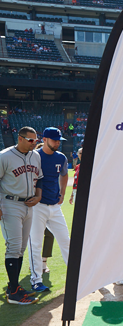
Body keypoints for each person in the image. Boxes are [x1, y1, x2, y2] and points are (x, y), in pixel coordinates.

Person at [1, 127, 43, 304]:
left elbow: (39, 178)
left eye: (35, 140)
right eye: (30, 140)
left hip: (29, 204)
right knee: (14, 246)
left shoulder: (36, 156)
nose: (34, 143)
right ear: (20, 138)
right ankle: (13, 295)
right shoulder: (4, 156)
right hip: (10, 203)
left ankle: (14, 287)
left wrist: (39, 196)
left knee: (21, 248)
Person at [27, 128, 69, 293]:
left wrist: (63, 193)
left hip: (55, 207)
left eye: (59, 140)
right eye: (54, 140)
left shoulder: (61, 157)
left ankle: (76, 276)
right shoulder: (34, 156)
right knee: (36, 244)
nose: (58, 143)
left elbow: (64, 175)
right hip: (37, 207)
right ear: (44, 139)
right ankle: (36, 280)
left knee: (66, 241)